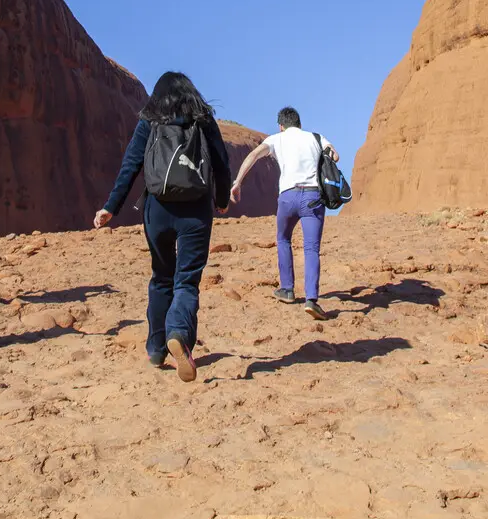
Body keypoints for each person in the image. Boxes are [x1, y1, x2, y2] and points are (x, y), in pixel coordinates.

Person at [93, 72, 231, 382]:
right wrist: (221, 199)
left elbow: (131, 164)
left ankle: (156, 349)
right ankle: (179, 332)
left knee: (161, 278)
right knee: (186, 282)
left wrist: (110, 207)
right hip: (195, 210)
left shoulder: (150, 119)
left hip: (158, 209)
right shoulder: (203, 119)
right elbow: (221, 163)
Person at [230, 106, 338, 320]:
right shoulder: (315, 138)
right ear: (299, 123)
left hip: (288, 197)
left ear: (281, 125)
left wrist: (238, 182)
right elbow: (335, 156)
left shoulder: (276, 140)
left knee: (283, 239)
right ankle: (311, 301)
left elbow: (253, 155)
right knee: (311, 248)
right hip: (313, 197)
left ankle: (287, 289)